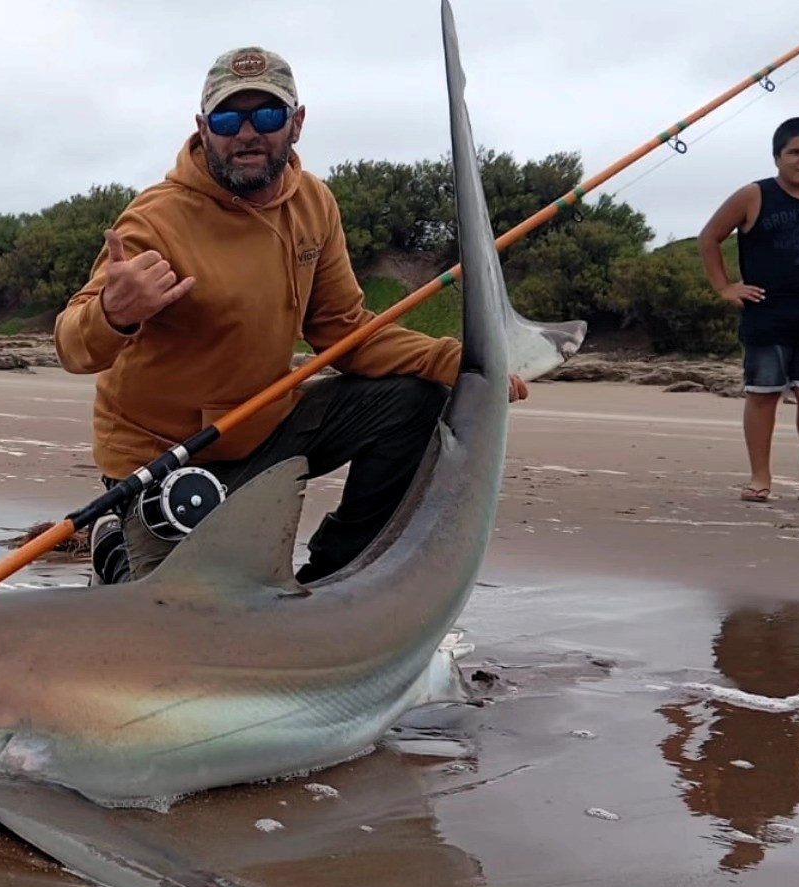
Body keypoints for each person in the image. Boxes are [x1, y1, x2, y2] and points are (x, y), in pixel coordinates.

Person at [55, 46, 528, 586]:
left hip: (266, 425)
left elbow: (343, 331)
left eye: (269, 115)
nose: (248, 133)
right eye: (230, 118)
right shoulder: (155, 221)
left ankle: (336, 574)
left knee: (413, 400)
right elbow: (72, 347)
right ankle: (115, 547)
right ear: (204, 128)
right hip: (166, 456)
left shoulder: (315, 203)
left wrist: (454, 361)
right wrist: (114, 314)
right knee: (187, 624)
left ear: (297, 123)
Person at [698, 115, 799, 506]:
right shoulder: (754, 195)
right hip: (766, 312)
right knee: (763, 395)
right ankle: (760, 478)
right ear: (778, 157)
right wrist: (724, 286)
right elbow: (709, 236)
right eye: (795, 152)